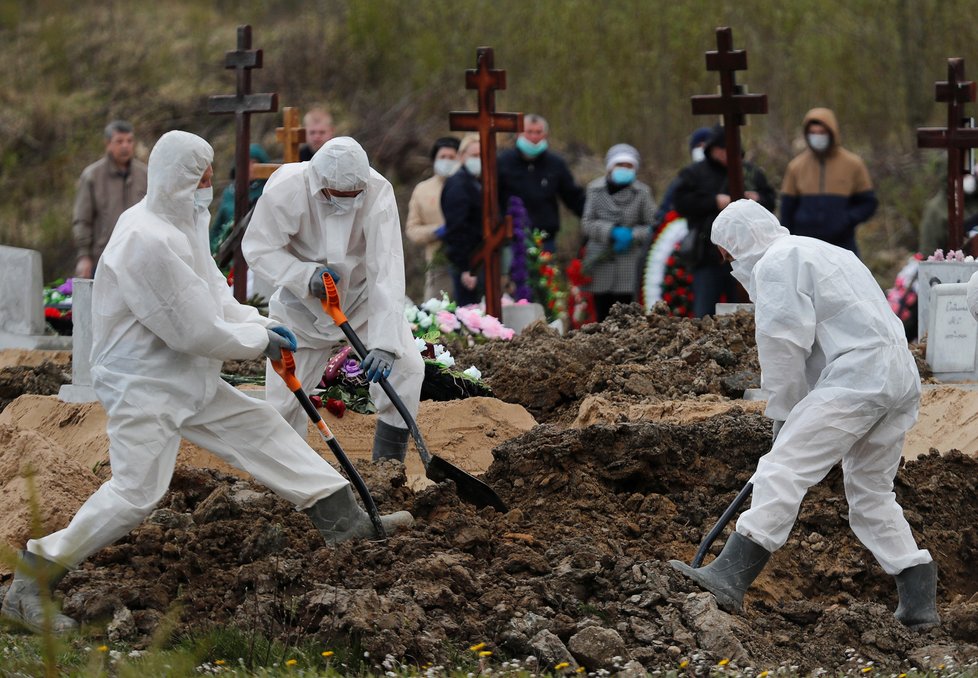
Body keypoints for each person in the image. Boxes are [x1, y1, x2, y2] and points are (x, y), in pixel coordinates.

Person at [1, 131, 412, 634]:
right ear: (175, 179)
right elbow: (191, 327)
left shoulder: (181, 223)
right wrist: (256, 343)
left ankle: (345, 523)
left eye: (210, 177)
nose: (208, 188)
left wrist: (257, 323)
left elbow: (213, 291)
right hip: (144, 385)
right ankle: (30, 580)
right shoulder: (144, 239)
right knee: (135, 494)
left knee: (261, 427)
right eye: (201, 178)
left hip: (187, 377)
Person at [671, 199, 940, 631]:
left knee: (782, 468)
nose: (729, 264)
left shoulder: (777, 263)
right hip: (898, 376)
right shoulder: (825, 250)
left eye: (726, 254)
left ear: (736, 243)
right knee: (871, 490)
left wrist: (784, 412)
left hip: (857, 377)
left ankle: (728, 576)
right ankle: (917, 591)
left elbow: (783, 343)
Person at [243, 137, 425, 463]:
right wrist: (303, 275)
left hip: (361, 300)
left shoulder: (377, 191)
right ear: (319, 184)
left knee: (408, 368)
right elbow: (258, 248)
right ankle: (290, 476)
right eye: (336, 197)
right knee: (285, 400)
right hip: (303, 307)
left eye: (353, 197)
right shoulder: (286, 188)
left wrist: (384, 343)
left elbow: (386, 269)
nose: (345, 204)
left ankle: (388, 467)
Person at [672, 124, 776, 318]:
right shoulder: (694, 173)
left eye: (729, 149)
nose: (725, 153)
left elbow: (770, 200)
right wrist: (713, 201)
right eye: (720, 148)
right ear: (711, 149)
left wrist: (757, 200)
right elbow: (681, 202)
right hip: (707, 255)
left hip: (747, 256)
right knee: (705, 312)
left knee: (747, 312)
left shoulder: (750, 173)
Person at [780, 107, 878, 255]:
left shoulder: (853, 164)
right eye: (812, 133)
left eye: (821, 133)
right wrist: (787, 242)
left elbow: (868, 203)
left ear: (832, 133)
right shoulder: (796, 167)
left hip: (842, 245)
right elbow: (787, 209)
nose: (817, 137)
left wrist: (846, 220)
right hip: (805, 246)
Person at [580, 143, 656, 321]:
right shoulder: (594, 189)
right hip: (600, 260)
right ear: (610, 167)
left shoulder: (642, 192)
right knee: (602, 314)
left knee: (628, 315)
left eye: (629, 166)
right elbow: (587, 222)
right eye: (619, 165)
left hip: (629, 262)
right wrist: (610, 231)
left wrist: (633, 234)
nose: (624, 169)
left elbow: (653, 225)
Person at [497, 113, 585, 252]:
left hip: (545, 239)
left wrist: (595, 217)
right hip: (511, 238)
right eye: (529, 132)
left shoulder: (555, 164)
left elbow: (573, 197)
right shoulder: (503, 162)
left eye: (538, 132)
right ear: (519, 133)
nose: (534, 137)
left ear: (545, 134)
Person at [72, 120, 148, 278]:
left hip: (139, 258)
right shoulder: (92, 176)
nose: (125, 146)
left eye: (129, 141)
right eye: (119, 141)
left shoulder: (145, 175)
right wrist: (84, 256)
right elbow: (82, 219)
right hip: (103, 259)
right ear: (108, 144)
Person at [405, 136, 460, 301]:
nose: (447, 161)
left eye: (452, 157)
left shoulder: (469, 186)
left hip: (471, 261)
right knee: (438, 314)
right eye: (443, 157)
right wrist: (436, 231)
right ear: (434, 160)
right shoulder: (423, 190)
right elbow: (412, 229)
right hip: (438, 262)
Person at [441, 134, 485, 306]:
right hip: (467, 261)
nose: (478, 160)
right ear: (461, 156)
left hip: (477, 259)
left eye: (482, 155)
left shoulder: (475, 182)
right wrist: (466, 267)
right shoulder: (459, 184)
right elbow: (457, 228)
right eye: (474, 155)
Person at [209, 143, 271, 253]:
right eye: (246, 163)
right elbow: (218, 227)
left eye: (253, 163)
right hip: (230, 250)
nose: (249, 168)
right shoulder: (230, 192)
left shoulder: (268, 189)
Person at [918, 170, 978, 255]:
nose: (969, 178)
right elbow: (928, 251)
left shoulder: (974, 200)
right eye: (963, 175)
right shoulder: (936, 209)